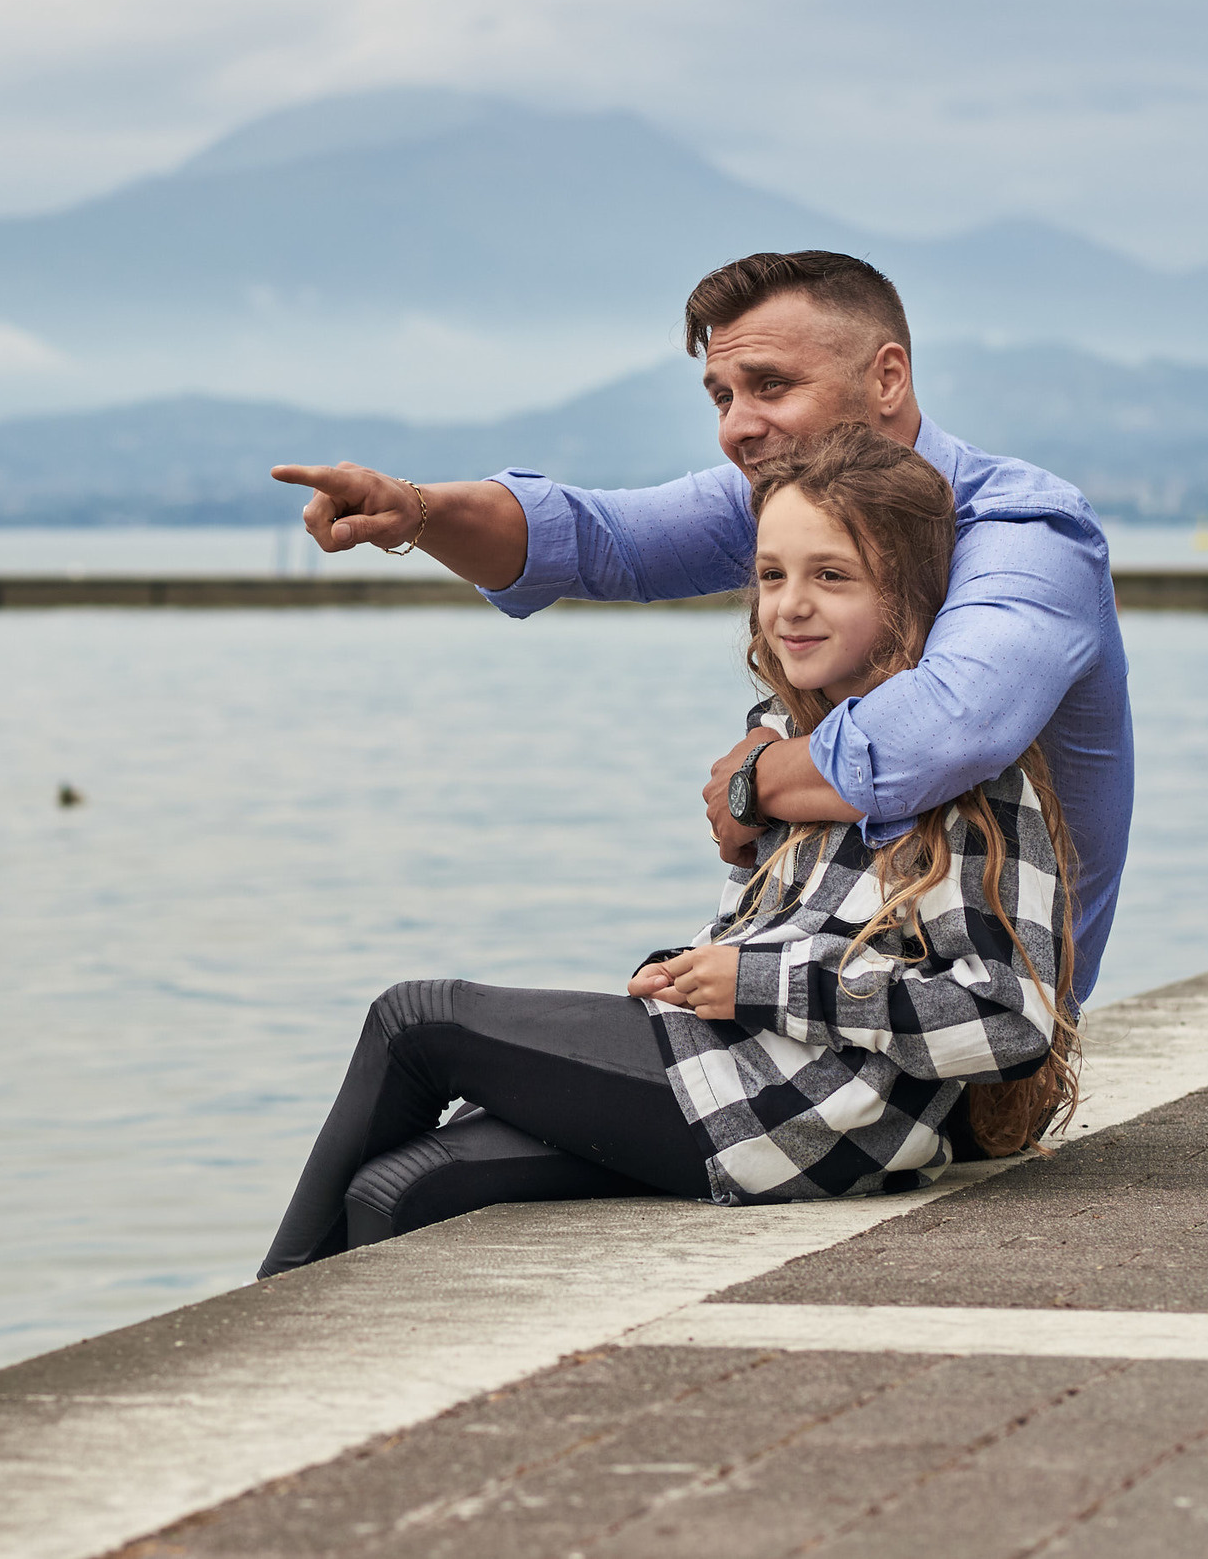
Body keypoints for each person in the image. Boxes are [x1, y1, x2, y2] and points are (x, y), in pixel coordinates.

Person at [257, 427, 1078, 1275]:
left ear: (908, 590)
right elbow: (767, 925)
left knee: (415, 1019)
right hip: (729, 1074)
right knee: (403, 1185)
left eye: (831, 575)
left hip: (811, 1114)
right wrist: (693, 965)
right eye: (771, 575)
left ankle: (250, 1340)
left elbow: (1012, 1020)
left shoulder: (974, 777)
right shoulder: (780, 741)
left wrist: (751, 980)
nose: (790, 605)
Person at [270, 250, 1131, 1007]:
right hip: (822, 999)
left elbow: (948, 725)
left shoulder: (1023, 527)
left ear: (887, 378)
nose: (735, 427)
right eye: (721, 395)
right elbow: (597, 541)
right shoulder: (786, 499)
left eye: (770, 386)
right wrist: (415, 509)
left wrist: (758, 777)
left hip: (967, 1037)